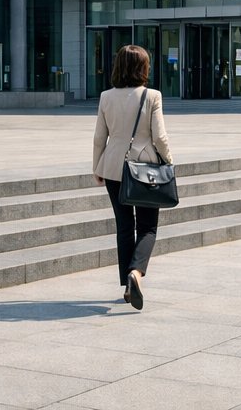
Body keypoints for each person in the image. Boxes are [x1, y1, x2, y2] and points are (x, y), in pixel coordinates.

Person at [91, 45, 173, 311]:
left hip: (113, 167)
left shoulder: (106, 97)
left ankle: (127, 283)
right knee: (148, 227)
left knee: (124, 225)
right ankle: (135, 273)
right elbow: (159, 137)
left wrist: (97, 166)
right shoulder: (152, 96)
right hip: (145, 169)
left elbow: (99, 137)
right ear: (143, 68)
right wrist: (169, 161)